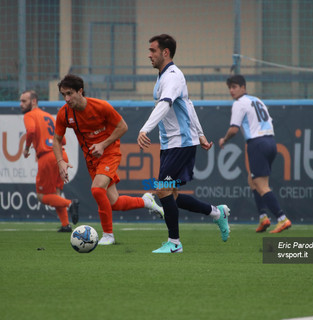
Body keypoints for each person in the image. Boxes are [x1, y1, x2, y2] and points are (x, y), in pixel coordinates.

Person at [137, 34, 230, 254]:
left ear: (165, 52)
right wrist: (201, 134)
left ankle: (175, 243)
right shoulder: (162, 77)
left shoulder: (173, 76)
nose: (149, 55)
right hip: (171, 144)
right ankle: (217, 213)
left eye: (153, 50)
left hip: (180, 143)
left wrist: (144, 128)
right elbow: (188, 105)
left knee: (162, 190)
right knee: (172, 196)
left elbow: (166, 104)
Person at [53, 74, 164, 245]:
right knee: (114, 203)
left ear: (80, 91)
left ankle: (108, 236)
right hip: (92, 159)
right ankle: (146, 201)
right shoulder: (65, 113)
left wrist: (103, 144)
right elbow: (57, 140)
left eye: (69, 94)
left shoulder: (100, 107)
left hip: (109, 152)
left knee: (97, 190)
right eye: (63, 95)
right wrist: (60, 161)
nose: (66, 99)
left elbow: (123, 127)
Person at [219, 74, 292, 233]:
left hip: (257, 143)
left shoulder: (239, 103)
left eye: (235, 87)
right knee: (252, 180)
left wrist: (224, 139)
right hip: (271, 142)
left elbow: (234, 129)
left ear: (243, 88)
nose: (232, 90)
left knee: (261, 184)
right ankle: (263, 218)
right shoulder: (257, 100)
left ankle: (282, 218)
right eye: (230, 88)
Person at [20, 90, 79, 232]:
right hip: (61, 156)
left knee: (42, 196)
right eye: (21, 101)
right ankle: (65, 225)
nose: (21, 104)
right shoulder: (48, 116)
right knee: (55, 193)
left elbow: (32, 130)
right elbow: (62, 139)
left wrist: (27, 148)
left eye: (24, 101)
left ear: (34, 101)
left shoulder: (29, 115)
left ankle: (70, 204)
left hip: (48, 157)